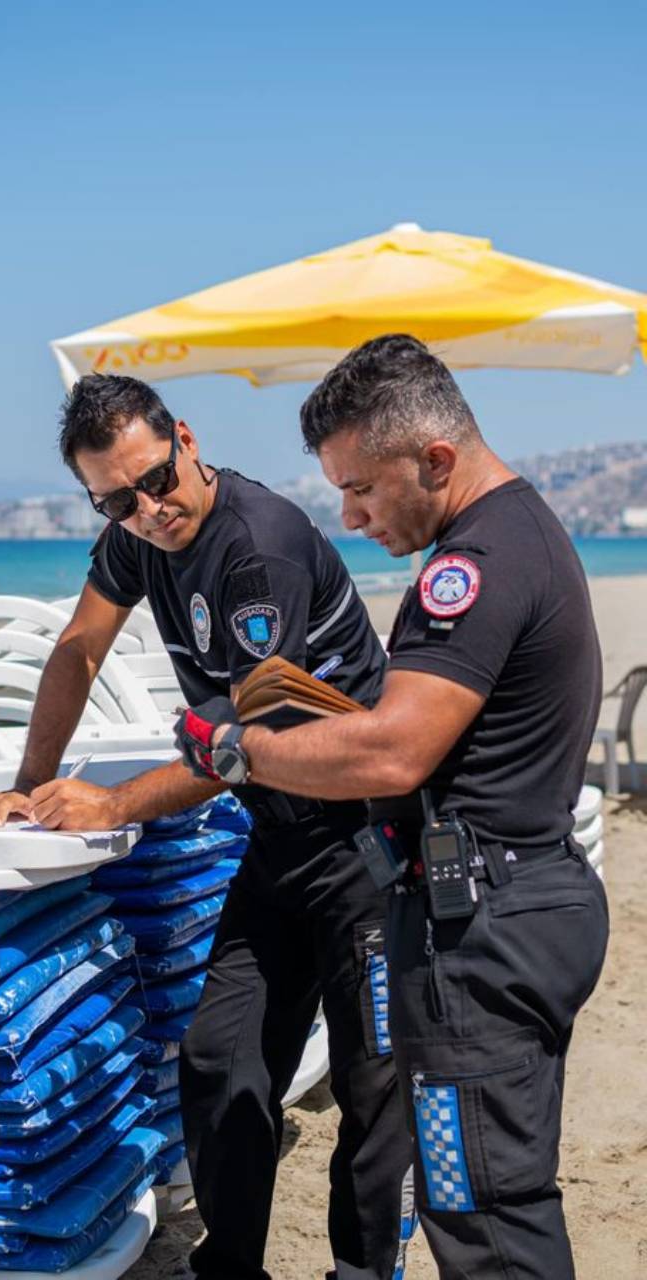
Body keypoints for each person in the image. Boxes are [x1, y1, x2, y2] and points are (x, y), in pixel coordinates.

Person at [174, 335, 610, 1279]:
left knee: (481, 1211)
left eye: (362, 488)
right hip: (511, 904)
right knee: (497, 1195)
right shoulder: (520, 532)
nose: (349, 514)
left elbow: (395, 751)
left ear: (436, 460)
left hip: (484, 929)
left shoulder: (478, 565)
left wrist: (244, 750)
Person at [0, 373, 414, 1280]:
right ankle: (233, 1266)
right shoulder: (139, 534)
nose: (148, 509)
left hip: (368, 844)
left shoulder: (258, 549)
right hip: (281, 840)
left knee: (376, 1083)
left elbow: (248, 743)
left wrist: (116, 802)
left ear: (184, 438)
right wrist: (31, 783)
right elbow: (78, 647)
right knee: (220, 1058)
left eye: (155, 481)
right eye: (116, 499)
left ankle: (366, 1270)